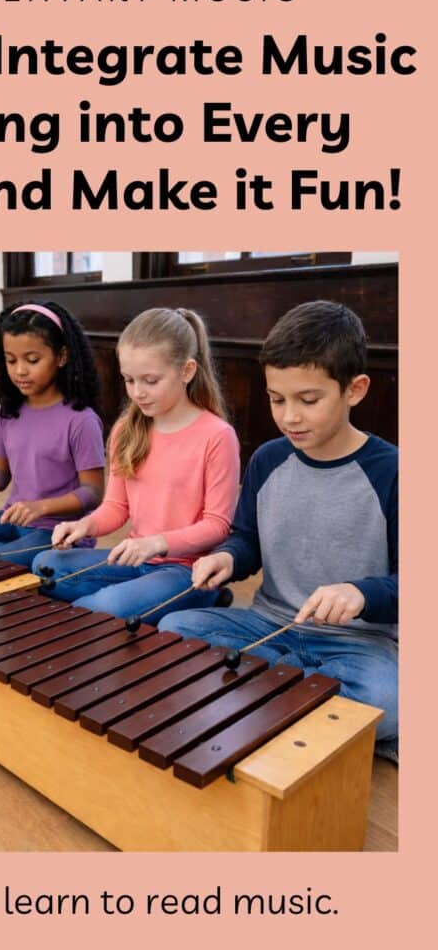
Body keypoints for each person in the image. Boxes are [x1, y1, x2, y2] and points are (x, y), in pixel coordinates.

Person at [158, 300, 398, 762]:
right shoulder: (268, 459)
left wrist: (361, 592)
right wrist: (227, 558)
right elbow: (248, 540)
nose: (289, 417)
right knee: (174, 628)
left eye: (308, 400)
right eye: (277, 399)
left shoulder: (394, 472)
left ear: (355, 390)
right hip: (269, 623)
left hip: (356, 643)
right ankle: (299, 691)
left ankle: (264, 686)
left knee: (387, 700)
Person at [32, 307, 241, 622]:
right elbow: (116, 507)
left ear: (187, 371)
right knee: (45, 566)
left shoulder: (217, 436)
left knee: (103, 608)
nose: (137, 393)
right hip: (136, 560)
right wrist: (84, 526)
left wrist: (156, 543)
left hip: (187, 570)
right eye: (129, 380)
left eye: (150, 381)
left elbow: (217, 526)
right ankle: (138, 601)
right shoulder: (126, 429)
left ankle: (201, 599)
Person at [0, 301, 105, 565]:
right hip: (14, 519)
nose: (20, 370)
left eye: (32, 360)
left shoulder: (81, 420)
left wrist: (40, 507)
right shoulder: (8, 411)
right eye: (11, 360)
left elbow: (93, 493)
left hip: (57, 530)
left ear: (61, 356)